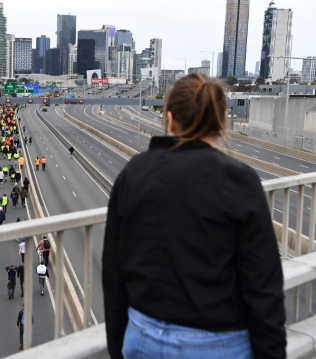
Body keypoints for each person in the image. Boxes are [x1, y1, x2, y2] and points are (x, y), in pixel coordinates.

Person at [102, 73, 286, 359]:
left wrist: (119, 348)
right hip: (218, 344)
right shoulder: (239, 180)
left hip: (142, 339)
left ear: (170, 119)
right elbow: (263, 287)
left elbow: (113, 273)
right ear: (223, 120)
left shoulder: (133, 173)